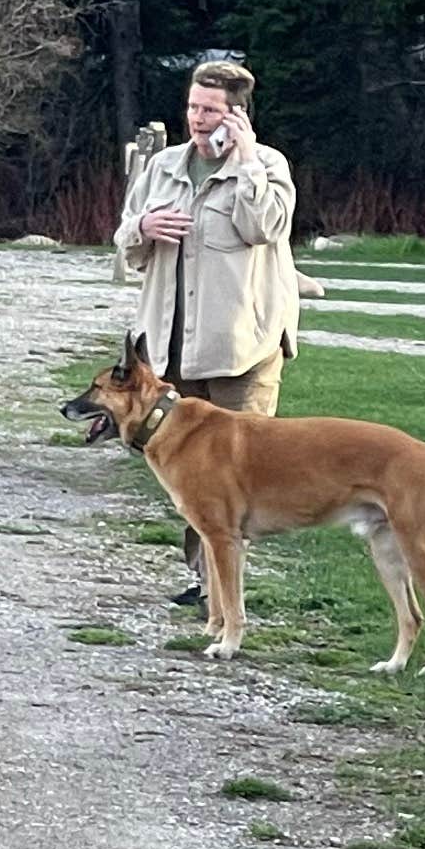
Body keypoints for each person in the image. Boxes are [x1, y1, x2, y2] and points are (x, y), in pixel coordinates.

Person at [113, 55, 300, 605]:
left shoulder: (269, 165)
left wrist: (245, 162)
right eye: (193, 106)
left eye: (211, 109)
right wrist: (143, 226)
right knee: (190, 472)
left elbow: (264, 226)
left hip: (242, 346)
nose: (198, 118)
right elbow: (126, 238)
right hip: (171, 348)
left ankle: (228, 589)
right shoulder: (164, 167)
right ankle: (204, 583)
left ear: (237, 116)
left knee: (242, 469)